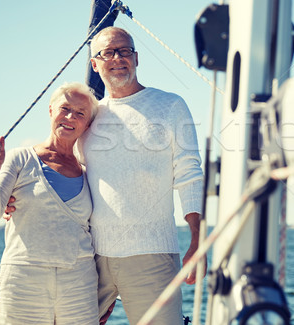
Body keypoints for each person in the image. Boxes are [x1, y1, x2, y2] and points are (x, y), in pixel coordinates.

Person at [77, 26, 205, 325]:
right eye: (107, 52)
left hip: (153, 256)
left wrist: (198, 241)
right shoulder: (88, 115)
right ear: (95, 64)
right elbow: (69, 172)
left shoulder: (171, 105)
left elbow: (190, 176)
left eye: (124, 50)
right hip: (90, 259)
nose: (117, 58)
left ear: (136, 57)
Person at [0, 82, 100, 324]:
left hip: (79, 283)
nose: (70, 117)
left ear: (87, 124)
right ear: (51, 110)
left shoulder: (90, 172)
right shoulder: (20, 158)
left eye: (80, 113)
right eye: (64, 108)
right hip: (23, 280)